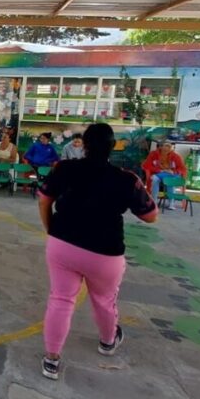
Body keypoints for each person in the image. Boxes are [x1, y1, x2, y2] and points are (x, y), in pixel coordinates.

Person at [36, 123, 158, 381]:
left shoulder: (65, 169)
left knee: (61, 300)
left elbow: (44, 199)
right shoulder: (126, 179)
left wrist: (51, 229)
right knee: (103, 300)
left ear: (85, 144)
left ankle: (51, 360)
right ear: (113, 147)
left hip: (63, 244)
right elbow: (151, 216)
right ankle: (107, 342)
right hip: (105, 252)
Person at [142, 142, 188, 210]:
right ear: (160, 147)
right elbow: (146, 165)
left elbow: (182, 168)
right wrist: (159, 170)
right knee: (154, 179)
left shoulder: (175, 156)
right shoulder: (153, 154)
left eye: (168, 147)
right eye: (164, 147)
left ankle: (171, 203)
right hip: (158, 173)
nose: (166, 149)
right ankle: (154, 201)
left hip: (171, 174)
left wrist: (173, 171)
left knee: (170, 181)